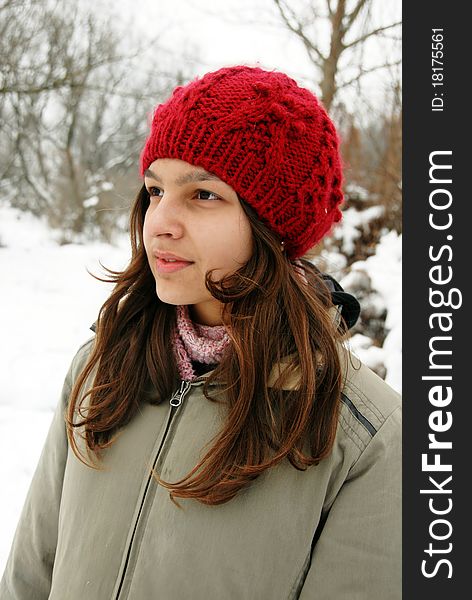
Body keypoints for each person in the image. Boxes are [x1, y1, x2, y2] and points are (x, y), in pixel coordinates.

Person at [0, 65, 401, 599]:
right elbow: (29, 578)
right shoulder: (101, 366)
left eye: (203, 195)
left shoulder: (364, 437)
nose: (159, 221)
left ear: (272, 225)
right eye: (155, 189)